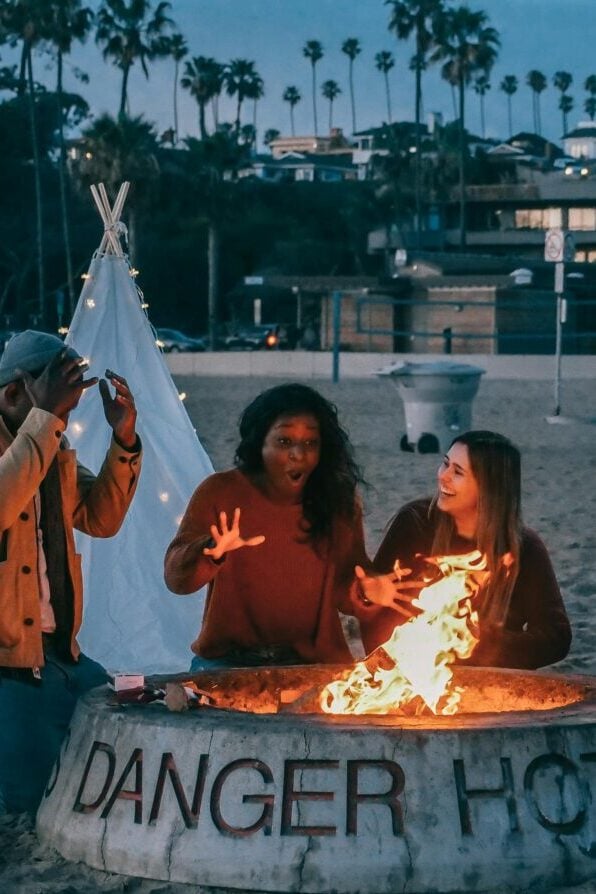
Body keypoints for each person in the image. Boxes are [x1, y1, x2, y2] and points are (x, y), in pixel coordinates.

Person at [0, 330, 141, 814]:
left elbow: (102, 519)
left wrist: (124, 440)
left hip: (61, 653)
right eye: (59, 407)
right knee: (29, 800)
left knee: (132, 730)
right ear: (15, 394)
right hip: (8, 664)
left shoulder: (50, 449)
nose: (64, 421)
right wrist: (43, 421)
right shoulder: (36, 442)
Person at [164, 383, 368, 668]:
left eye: (311, 443)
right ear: (259, 444)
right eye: (284, 442)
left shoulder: (338, 501)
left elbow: (348, 586)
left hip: (314, 664)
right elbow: (177, 581)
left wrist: (367, 591)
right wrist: (211, 551)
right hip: (229, 661)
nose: (299, 454)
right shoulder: (220, 491)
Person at [357, 430, 571, 670]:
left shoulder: (523, 548)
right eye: (445, 464)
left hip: (488, 685)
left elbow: (556, 637)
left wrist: (483, 645)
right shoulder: (416, 523)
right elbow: (377, 617)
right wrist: (368, 597)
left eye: (457, 472)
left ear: (489, 488)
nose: (443, 477)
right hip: (410, 678)